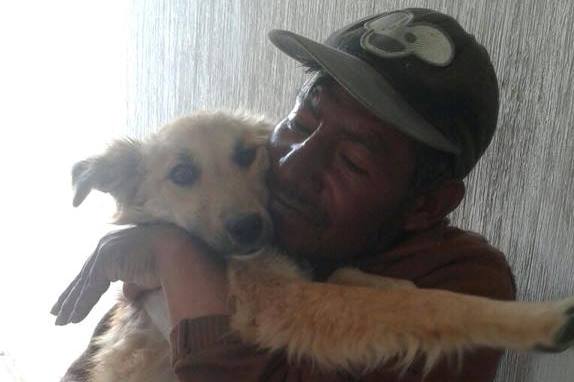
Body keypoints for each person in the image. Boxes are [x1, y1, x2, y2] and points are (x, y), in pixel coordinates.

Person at [56, 8, 516, 381]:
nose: (293, 165)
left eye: (351, 161)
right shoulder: (248, 225)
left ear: (426, 206)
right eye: (299, 124)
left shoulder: (464, 284)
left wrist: (176, 259)